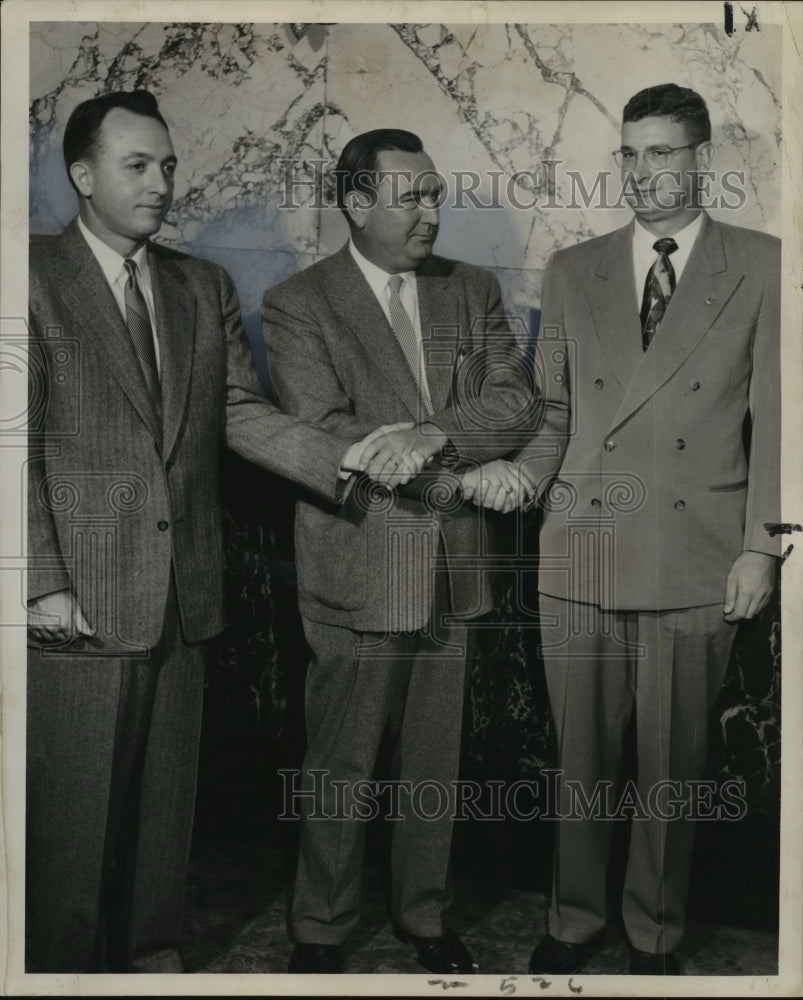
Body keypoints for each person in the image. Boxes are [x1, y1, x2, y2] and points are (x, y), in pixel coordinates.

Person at [25, 89, 390, 973]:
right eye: (137, 166)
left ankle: (152, 960)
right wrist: (41, 580)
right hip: (77, 598)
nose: (161, 183)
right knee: (69, 830)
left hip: (184, 598)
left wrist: (347, 458)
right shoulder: (26, 274)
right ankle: (55, 975)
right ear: (82, 175)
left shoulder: (199, 284)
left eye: (169, 165)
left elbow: (234, 409)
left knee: (163, 818)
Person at [511, 84, 780, 975]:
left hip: (697, 553)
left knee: (673, 769)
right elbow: (552, 413)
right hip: (579, 548)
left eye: (661, 153)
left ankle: (654, 931)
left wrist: (762, 544)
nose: (641, 173)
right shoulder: (570, 267)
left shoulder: (764, 263)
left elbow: (782, 417)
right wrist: (517, 477)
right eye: (629, 154)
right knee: (578, 760)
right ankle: (575, 918)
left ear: (703, 160)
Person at [263, 128, 539, 974]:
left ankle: (423, 913)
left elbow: (515, 404)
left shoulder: (472, 290)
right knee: (339, 761)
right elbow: (327, 429)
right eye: (410, 196)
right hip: (357, 567)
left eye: (435, 195)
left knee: (434, 759)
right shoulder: (298, 302)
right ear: (356, 203)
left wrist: (427, 435)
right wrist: (446, 460)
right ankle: (319, 926)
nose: (430, 212)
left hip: (454, 573)